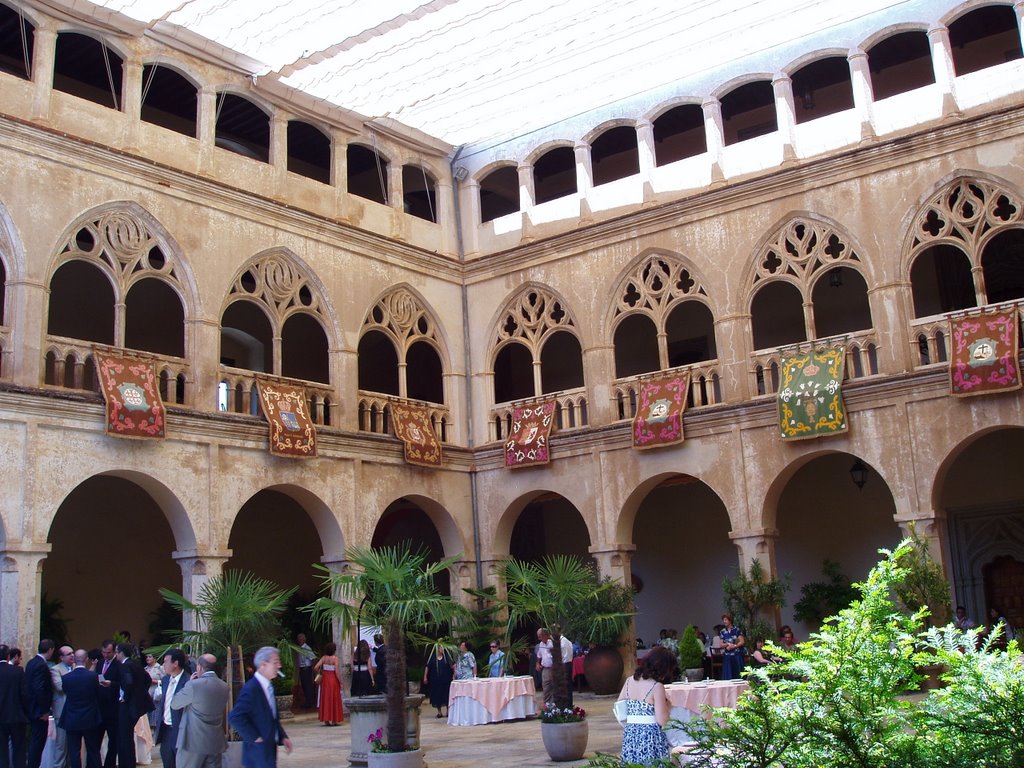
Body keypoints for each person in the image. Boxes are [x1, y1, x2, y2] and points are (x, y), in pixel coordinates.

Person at [228, 646, 292, 768]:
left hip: (268, 750)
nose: (279, 666)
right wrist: (255, 737)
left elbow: (272, 716)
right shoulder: (251, 689)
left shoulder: (268, 686)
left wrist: (283, 737)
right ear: (263, 665)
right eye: (275, 662)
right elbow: (235, 717)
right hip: (257, 753)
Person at [617, 645, 676, 766]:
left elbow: (619, 708)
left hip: (631, 734)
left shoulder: (629, 681)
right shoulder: (656, 686)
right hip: (650, 737)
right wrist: (668, 706)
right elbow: (662, 720)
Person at [170, 654, 229, 768]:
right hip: (215, 741)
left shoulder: (193, 685)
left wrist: (188, 684)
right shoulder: (224, 686)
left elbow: (175, 704)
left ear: (200, 668)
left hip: (193, 742)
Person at [59, 650, 102, 768]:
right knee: (93, 749)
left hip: (72, 717)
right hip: (90, 717)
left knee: (74, 750)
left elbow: (66, 692)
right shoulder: (93, 676)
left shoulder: (66, 678)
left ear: (75, 660)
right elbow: (97, 693)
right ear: (86, 659)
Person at [115, 643, 155, 768]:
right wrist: (141, 692)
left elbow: (129, 683)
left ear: (121, 653)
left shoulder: (125, 666)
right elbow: (147, 679)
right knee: (127, 735)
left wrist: (125, 698)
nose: (116, 655)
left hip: (128, 705)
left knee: (124, 736)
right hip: (137, 704)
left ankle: (126, 764)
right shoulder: (135, 664)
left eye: (116, 652)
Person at [155, 649, 189, 768]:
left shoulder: (188, 681)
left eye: (166, 662)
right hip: (165, 729)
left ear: (175, 663)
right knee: (167, 762)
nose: (163, 665)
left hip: (180, 729)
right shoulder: (165, 680)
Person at [25, 639, 55, 768]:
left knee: (35, 740)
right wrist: (44, 710)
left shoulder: (31, 662)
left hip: (32, 707)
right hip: (39, 710)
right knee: (38, 741)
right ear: (50, 650)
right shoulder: (41, 665)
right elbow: (39, 688)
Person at [0, 643, 28, 768]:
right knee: (19, 748)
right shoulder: (18, 671)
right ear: (8, 656)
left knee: (1, 750)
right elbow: (24, 694)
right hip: (16, 715)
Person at [96, 640, 121, 768]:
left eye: (108, 653)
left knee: (113, 741)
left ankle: (109, 765)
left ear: (114, 652)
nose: (105, 655)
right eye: (104, 652)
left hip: (112, 708)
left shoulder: (118, 665)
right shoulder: (99, 663)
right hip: (100, 708)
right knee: (96, 740)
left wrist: (112, 684)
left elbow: (122, 685)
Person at [52, 645, 75, 768]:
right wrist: (77, 682)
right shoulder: (55, 669)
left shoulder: (77, 668)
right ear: (61, 657)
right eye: (68, 654)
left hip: (75, 711)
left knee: (74, 745)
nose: (72, 655)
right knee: (61, 744)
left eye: (73, 653)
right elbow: (60, 687)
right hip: (62, 712)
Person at [311, 643, 343, 726]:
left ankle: (326, 720)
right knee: (334, 698)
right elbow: (336, 671)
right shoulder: (335, 658)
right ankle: (334, 720)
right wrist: (340, 681)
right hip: (333, 680)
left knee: (326, 698)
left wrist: (320, 673)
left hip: (325, 680)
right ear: (334, 650)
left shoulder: (323, 658)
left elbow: (315, 667)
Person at [422, 646, 453, 719]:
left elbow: (453, 666)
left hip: (446, 679)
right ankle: (439, 712)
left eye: (443, 648)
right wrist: (425, 677)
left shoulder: (446, 657)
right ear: (437, 649)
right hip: (435, 680)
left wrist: (454, 674)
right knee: (437, 695)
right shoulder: (432, 658)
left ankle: (448, 711)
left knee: (446, 694)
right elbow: (427, 667)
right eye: (441, 648)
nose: (442, 649)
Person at [719, 613, 745, 680]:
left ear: (730, 620)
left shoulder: (737, 630)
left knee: (738, 675)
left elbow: (742, 641)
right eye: (723, 620)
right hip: (727, 655)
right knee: (728, 676)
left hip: (736, 655)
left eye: (725, 620)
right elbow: (721, 644)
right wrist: (727, 644)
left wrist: (734, 646)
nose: (724, 621)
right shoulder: (722, 631)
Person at [142, 654, 164, 729]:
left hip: (156, 694)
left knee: (155, 713)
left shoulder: (160, 668)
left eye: (150, 657)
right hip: (147, 693)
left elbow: (165, 680)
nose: (147, 658)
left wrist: (155, 681)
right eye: (146, 657)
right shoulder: (145, 669)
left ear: (154, 659)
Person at [294, 635, 315, 711]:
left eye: (301, 639)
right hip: (302, 669)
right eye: (298, 639)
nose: (299, 640)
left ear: (304, 639)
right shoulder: (300, 648)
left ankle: (309, 702)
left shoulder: (307, 648)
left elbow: (312, 658)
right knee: (304, 686)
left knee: (307, 686)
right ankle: (307, 701)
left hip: (307, 669)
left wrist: (312, 669)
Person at [535, 628, 554, 704]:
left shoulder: (552, 643)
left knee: (553, 687)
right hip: (545, 668)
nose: (539, 638)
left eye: (540, 636)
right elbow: (539, 655)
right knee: (545, 687)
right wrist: (537, 663)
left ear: (546, 635)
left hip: (553, 668)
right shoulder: (541, 644)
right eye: (538, 636)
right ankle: (546, 705)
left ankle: (554, 705)